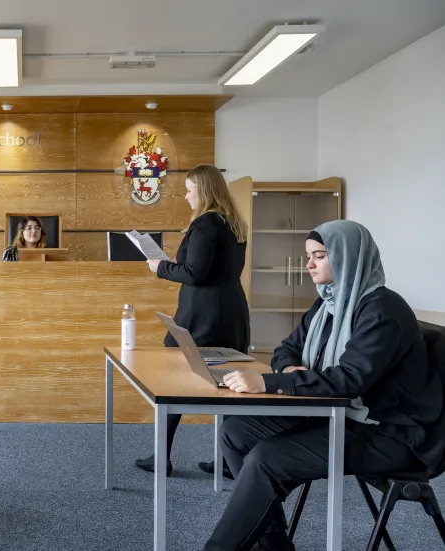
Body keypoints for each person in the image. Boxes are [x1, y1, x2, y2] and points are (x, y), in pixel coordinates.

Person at [202, 220, 445, 551]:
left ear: (349, 256)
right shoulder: (329, 303)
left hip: (390, 432)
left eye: (319, 255)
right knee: (235, 431)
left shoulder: (383, 310)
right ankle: (272, 542)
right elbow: (287, 348)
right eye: (308, 256)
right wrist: (288, 367)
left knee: (267, 458)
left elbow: (349, 379)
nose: (309, 264)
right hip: (342, 412)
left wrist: (269, 382)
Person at [134, 164, 250, 478]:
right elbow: (205, 268)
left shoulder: (206, 223)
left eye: (189, 190)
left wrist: (160, 267)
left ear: (204, 190)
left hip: (203, 316)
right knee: (229, 384)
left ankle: (162, 457)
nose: (185, 196)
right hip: (231, 312)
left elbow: (195, 274)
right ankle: (228, 460)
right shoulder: (232, 222)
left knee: (171, 380)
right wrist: (177, 264)